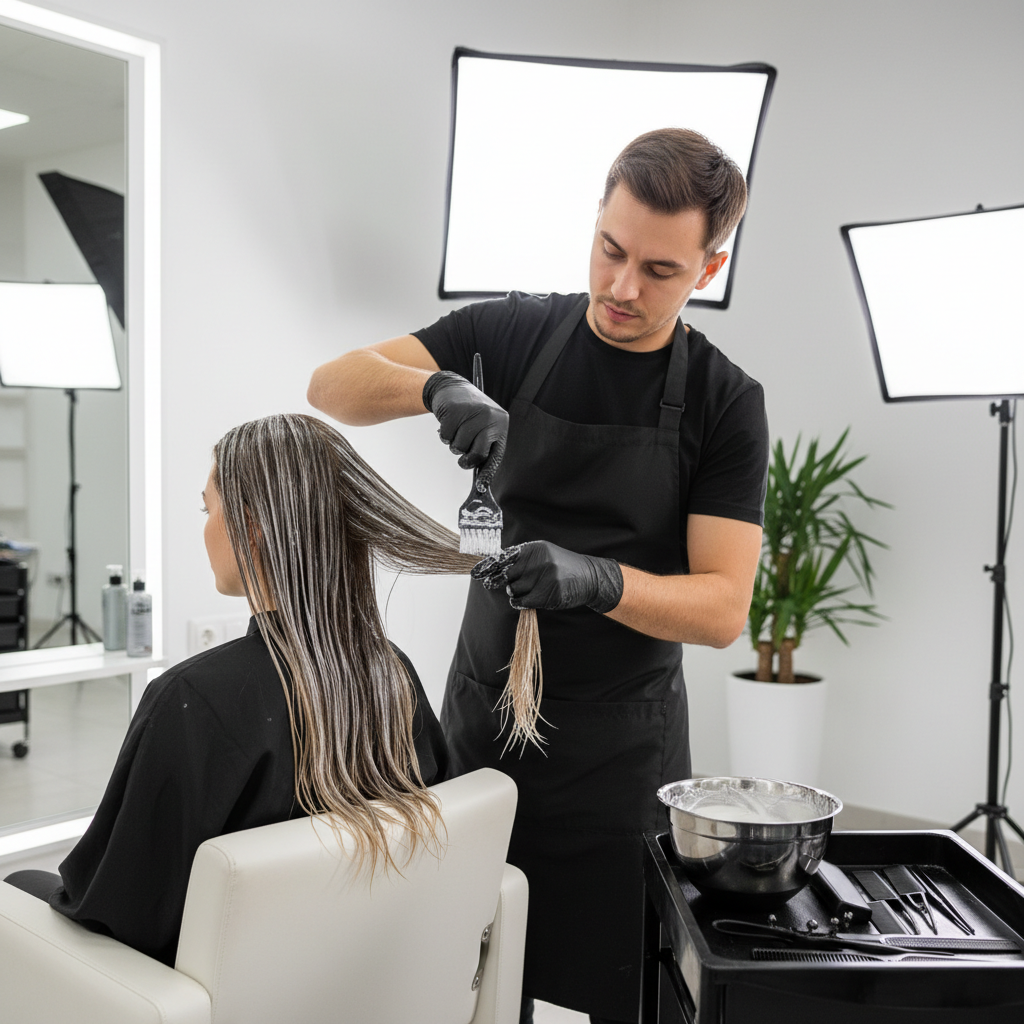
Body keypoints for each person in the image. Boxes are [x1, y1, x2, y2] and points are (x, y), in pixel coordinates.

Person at [307, 128, 769, 1023]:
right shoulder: (512, 333)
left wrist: (599, 581)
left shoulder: (724, 403)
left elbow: (721, 610)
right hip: (486, 725)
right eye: (611, 250)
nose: (623, 288)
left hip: (620, 757)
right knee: (463, 969)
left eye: (661, 271)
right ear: (596, 220)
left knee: (612, 982)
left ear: (707, 270)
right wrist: (435, 387)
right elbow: (332, 385)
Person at [2, 413, 479, 966]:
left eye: (208, 510)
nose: (204, 527)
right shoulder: (392, 671)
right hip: (345, 973)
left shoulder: (192, 700)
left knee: (20, 883)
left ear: (251, 525)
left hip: (209, 992)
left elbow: (120, 915)